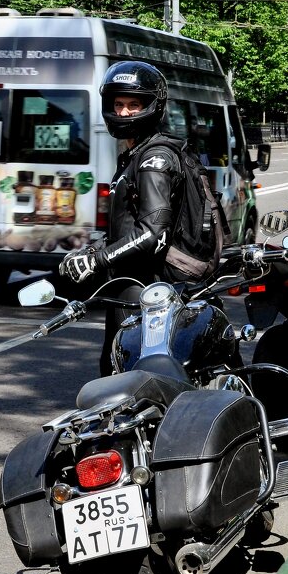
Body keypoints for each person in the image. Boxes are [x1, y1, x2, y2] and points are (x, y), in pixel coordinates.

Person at [57, 61, 189, 376]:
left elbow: (151, 232)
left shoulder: (154, 160)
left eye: (134, 104)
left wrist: (98, 260)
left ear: (152, 106)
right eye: (119, 104)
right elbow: (129, 225)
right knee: (117, 372)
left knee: (126, 381)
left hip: (144, 287)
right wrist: (92, 250)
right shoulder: (135, 155)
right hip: (129, 284)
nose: (125, 112)